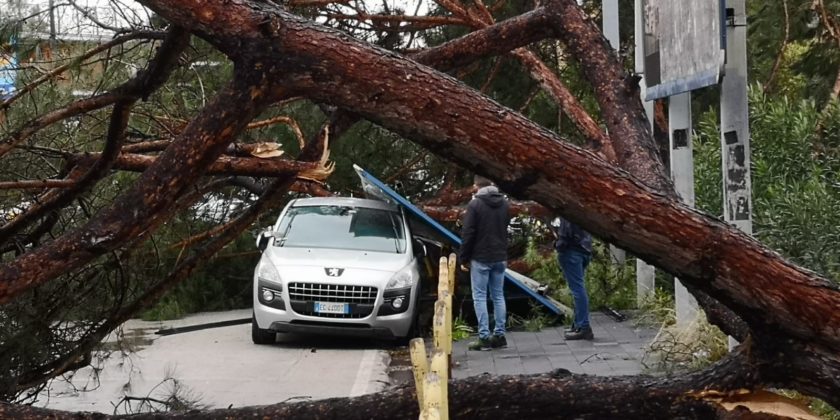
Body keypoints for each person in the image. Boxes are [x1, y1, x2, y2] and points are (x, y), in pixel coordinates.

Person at [459, 175, 510, 351]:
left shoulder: (475, 205)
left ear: (476, 186)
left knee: (479, 296)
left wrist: (463, 258)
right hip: (500, 256)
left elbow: (468, 233)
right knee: (498, 296)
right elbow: (505, 227)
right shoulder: (504, 203)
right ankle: (500, 335)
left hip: (480, 257)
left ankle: (484, 337)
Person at [553, 217, 594, 340]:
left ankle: (583, 326)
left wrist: (557, 244)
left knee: (577, 289)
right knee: (578, 287)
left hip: (572, 251)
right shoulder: (583, 208)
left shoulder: (567, 210)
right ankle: (578, 324)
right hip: (585, 248)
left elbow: (566, 233)